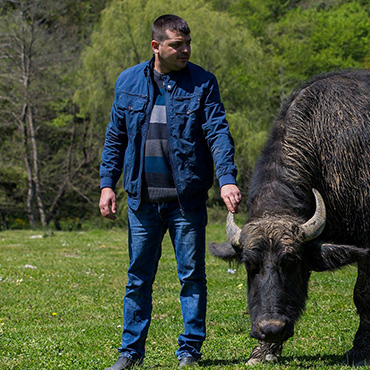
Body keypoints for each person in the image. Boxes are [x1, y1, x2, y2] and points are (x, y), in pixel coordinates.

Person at [99, 14, 241, 369]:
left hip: (185, 202)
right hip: (142, 201)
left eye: (188, 43)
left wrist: (226, 178)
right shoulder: (128, 81)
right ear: (156, 46)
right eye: (177, 45)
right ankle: (130, 352)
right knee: (137, 278)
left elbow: (217, 133)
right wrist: (107, 184)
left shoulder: (203, 83)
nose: (185, 50)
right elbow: (115, 138)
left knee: (191, 277)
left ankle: (189, 351)